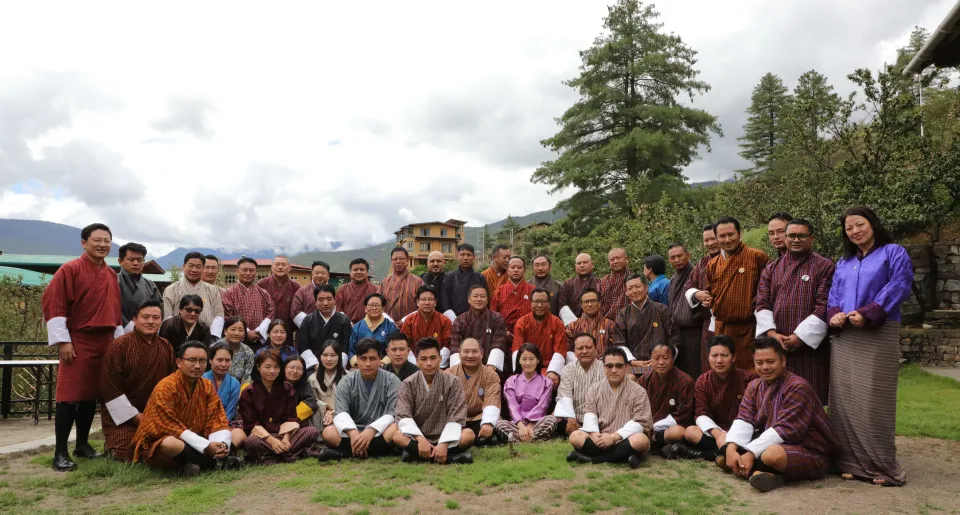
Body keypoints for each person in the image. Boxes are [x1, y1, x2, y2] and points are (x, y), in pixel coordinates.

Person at [827, 206, 913, 487]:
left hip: (877, 331)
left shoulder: (893, 252)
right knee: (845, 398)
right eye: (849, 228)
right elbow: (834, 294)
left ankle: (882, 465)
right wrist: (834, 314)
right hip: (846, 336)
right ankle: (849, 462)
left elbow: (899, 285)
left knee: (874, 397)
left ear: (873, 224)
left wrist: (869, 312)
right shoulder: (844, 262)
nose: (855, 231)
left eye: (859, 224)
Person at [42, 222, 124, 471]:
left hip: (105, 340)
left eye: (107, 241)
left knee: (91, 395)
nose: (102, 245)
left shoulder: (111, 274)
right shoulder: (70, 270)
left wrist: (118, 340)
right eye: (97, 240)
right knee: (69, 396)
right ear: (84, 243)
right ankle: (60, 452)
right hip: (77, 339)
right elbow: (54, 304)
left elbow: (115, 310)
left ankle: (82, 445)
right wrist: (63, 341)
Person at [720, 337, 838, 493]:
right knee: (727, 442)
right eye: (759, 363)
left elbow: (784, 430)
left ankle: (750, 465)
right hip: (770, 443)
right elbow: (744, 418)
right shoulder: (754, 386)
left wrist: (749, 453)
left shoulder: (798, 387)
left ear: (783, 361)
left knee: (771, 455)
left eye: (770, 362)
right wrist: (731, 448)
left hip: (809, 449)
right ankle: (766, 473)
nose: (765, 367)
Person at [755, 219, 835, 403]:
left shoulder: (824, 266)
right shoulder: (771, 268)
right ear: (785, 238)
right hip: (778, 344)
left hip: (810, 347)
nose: (796, 240)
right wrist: (771, 334)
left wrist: (799, 337)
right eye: (791, 235)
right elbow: (762, 303)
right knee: (778, 398)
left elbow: (824, 305)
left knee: (811, 397)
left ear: (811, 238)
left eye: (801, 236)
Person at [130, 341, 240, 475]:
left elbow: (216, 418)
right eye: (192, 360)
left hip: (196, 438)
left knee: (237, 433)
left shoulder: (207, 386)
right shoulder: (166, 386)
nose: (197, 366)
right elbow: (167, 425)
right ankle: (216, 463)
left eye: (202, 361)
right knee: (170, 444)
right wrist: (206, 446)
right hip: (162, 442)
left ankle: (194, 465)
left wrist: (220, 444)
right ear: (179, 362)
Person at [685, 217, 770, 370]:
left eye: (731, 234)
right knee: (724, 371)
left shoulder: (757, 257)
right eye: (722, 236)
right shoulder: (712, 264)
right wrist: (707, 300)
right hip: (722, 328)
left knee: (751, 373)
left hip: (750, 328)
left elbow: (768, 291)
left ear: (740, 233)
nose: (727, 239)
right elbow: (712, 293)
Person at [101, 299, 176, 462]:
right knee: (126, 451)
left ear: (161, 321)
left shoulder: (166, 346)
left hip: (157, 414)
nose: (151, 321)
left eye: (156, 317)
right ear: (134, 319)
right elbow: (110, 388)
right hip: (126, 418)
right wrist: (136, 416)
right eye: (145, 317)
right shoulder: (119, 346)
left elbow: (173, 384)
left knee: (174, 441)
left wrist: (160, 414)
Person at [566, 348, 652, 468]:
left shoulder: (638, 391)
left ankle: (592, 459)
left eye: (619, 366)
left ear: (626, 368)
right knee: (575, 436)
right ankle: (623, 457)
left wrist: (613, 437)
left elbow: (641, 423)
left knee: (641, 440)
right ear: (604, 368)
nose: (614, 370)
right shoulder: (594, 389)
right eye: (609, 366)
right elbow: (590, 417)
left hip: (626, 439)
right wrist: (597, 438)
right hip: (601, 438)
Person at [394, 338, 475, 464]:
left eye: (433, 358)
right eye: (424, 359)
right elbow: (404, 415)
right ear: (417, 361)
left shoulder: (453, 382)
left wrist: (444, 443)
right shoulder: (408, 383)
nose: (429, 363)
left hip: (446, 435)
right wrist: (421, 439)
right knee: (397, 436)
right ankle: (451, 457)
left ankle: (418, 455)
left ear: (440, 359)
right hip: (419, 436)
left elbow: (457, 416)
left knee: (468, 435)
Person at [676, 335, 757, 461]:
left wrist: (731, 434)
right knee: (691, 432)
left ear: (733, 357)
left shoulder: (749, 379)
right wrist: (718, 434)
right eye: (714, 355)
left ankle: (707, 454)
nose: (719, 360)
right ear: (708, 357)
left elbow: (752, 415)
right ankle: (723, 453)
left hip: (741, 432)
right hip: (715, 431)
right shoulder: (703, 381)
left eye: (724, 355)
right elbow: (701, 413)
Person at [319, 338, 400, 461]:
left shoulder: (392, 380)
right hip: (353, 429)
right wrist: (353, 434)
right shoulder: (346, 381)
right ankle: (376, 450)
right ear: (357, 359)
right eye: (363, 358)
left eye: (372, 358)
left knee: (395, 429)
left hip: (380, 431)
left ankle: (343, 453)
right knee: (328, 432)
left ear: (380, 359)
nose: (368, 363)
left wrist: (371, 430)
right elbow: (341, 412)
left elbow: (392, 413)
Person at [239, 349, 319, 464]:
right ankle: (289, 454)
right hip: (262, 437)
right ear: (258, 367)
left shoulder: (287, 388)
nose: (272, 371)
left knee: (312, 431)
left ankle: (270, 457)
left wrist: (286, 438)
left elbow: (290, 418)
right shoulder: (248, 391)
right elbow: (251, 424)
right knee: (250, 442)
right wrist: (271, 440)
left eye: (276, 367)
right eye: (267, 367)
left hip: (284, 434)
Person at [638, 342, 695, 456]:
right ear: (650, 360)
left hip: (668, 428)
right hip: (646, 427)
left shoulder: (685, 381)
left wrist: (653, 428)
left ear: (673, 359)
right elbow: (637, 408)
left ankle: (650, 445)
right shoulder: (644, 380)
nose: (661, 362)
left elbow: (683, 415)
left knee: (678, 432)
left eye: (665, 358)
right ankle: (658, 447)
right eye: (656, 358)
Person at [612, 275, 678, 372]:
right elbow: (619, 342)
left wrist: (662, 358)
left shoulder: (662, 310)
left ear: (646, 288)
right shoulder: (623, 314)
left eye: (637, 286)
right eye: (630, 288)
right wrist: (632, 361)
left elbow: (675, 338)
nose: (634, 291)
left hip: (661, 364)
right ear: (626, 292)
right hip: (634, 365)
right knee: (630, 378)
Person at [446, 338, 501, 446]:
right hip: (455, 419)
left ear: (482, 353)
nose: (470, 355)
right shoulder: (448, 374)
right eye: (466, 351)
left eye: (475, 351)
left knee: (497, 424)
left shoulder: (491, 375)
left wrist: (487, 423)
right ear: (459, 353)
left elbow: (492, 400)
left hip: (479, 418)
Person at [497, 343, 558, 442]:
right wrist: (521, 426)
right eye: (524, 359)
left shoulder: (547, 382)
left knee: (551, 420)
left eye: (531, 359)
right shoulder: (511, 381)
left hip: (537, 423)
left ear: (538, 360)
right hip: (517, 424)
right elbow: (512, 405)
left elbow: (542, 406)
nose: (528, 363)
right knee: (500, 424)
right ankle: (536, 440)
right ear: (519, 360)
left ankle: (520, 440)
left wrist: (531, 424)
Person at [684, 225, 723, 374]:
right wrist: (697, 294)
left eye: (713, 238)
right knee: (709, 366)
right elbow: (689, 285)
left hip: (730, 321)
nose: (710, 243)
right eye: (706, 240)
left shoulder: (733, 259)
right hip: (708, 324)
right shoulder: (702, 262)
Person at [163, 251, 225, 338]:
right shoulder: (171, 289)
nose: (194, 270)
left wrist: (213, 337)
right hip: (177, 337)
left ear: (202, 268)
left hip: (206, 337)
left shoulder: (212, 290)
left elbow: (218, 315)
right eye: (191, 265)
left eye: (198, 267)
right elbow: (168, 317)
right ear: (184, 266)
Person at [554, 333, 606, 436]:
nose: (585, 351)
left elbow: (605, 397)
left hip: (599, 418)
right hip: (573, 419)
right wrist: (571, 419)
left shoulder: (604, 368)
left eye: (589, 347)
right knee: (550, 420)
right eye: (580, 348)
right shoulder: (568, 369)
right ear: (574, 351)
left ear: (596, 349)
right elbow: (564, 395)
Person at [512, 289, 567, 385]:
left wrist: (553, 371)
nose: (539, 305)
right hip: (527, 366)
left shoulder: (557, 323)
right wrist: (524, 370)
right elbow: (517, 349)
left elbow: (560, 350)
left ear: (549, 304)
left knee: (551, 381)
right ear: (530, 303)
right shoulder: (522, 323)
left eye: (543, 301)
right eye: (536, 301)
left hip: (548, 367)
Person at [666, 243, 705, 378]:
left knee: (693, 370)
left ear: (688, 255)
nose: (676, 260)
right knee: (679, 372)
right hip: (676, 333)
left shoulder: (696, 274)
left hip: (694, 331)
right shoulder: (673, 279)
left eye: (679, 256)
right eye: (672, 258)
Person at [449, 284, 508, 372]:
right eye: (475, 296)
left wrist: (491, 368)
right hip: (464, 369)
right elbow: (455, 346)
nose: (479, 299)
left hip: (490, 369)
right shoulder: (460, 320)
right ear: (469, 299)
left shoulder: (496, 318)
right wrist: (460, 370)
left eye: (482, 296)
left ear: (487, 299)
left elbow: (498, 342)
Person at [223, 257, 275, 350]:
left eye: (251, 270)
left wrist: (259, 331)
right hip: (236, 340)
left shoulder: (263, 293)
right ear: (237, 272)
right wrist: (246, 332)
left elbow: (271, 312)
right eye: (244, 270)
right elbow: (228, 315)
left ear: (256, 272)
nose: (248, 273)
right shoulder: (229, 293)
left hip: (259, 340)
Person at [202, 341, 247, 450]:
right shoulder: (201, 380)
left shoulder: (234, 383)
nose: (223, 364)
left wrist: (220, 427)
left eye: (227, 360)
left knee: (239, 434)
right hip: (202, 424)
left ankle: (226, 453)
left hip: (224, 423)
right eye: (219, 360)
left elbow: (230, 412)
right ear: (210, 360)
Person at [296, 284, 352, 371]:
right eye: (321, 300)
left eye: (329, 299)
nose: (325, 303)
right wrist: (315, 365)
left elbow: (345, 347)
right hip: (313, 367)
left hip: (338, 367)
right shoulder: (308, 321)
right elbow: (304, 346)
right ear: (315, 302)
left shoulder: (344, 321)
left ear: (334, 300)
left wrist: (337, 367)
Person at [400, 285, 452, 365]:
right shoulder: (409, 320)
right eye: (423, 299)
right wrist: (416, 364)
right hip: (414, 363)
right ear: (417, 302)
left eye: (430, 299)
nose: (427, 303)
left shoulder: (444, 321)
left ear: (435, 302)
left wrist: (436, 363)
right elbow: (404, 344)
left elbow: (448, 345)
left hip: (438, 364)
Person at [258, 255, 301, 346]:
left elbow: (297, 310)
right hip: (265, 331)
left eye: (283, 264)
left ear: (289, 268)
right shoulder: (262, 284)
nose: (280, 267)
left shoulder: (295, 287)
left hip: (286, 332)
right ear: (272, 267)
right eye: (277, 264)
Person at [118, 242, 162, 331]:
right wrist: (128, 327)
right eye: (131, 259)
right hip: (118, 331)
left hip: (147, 331)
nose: (136, 263)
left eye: (139, 260)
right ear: (120, 261)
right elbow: (111, 310)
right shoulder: (113, 281)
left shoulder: (151, 285)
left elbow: (159, 310)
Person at [564, 289, 615, 359]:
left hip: (605, 363)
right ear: (581, 305)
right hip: (580, 364)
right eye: (586, 302)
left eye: (593, 301)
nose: (590, 304)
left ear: (599, 303)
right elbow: (567, 350)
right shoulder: (573, 326)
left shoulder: (610, 325)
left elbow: (617, 347)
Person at [491, 256, 535, 336]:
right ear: (507, 270)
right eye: (512, 267)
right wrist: (503, 330)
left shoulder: (533, 290)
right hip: (504, 334)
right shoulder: (499, 290)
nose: (516, 270)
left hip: (528, 333)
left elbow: (539, 312)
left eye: (519, 267)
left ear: (524, 270)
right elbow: (493, 314)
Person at [348, 293, 399, 362]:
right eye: (371, 305)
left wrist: (383, 363)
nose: (374, 308)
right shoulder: (357, 327)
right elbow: (351, 349)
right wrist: (358, 362)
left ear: (383, 309)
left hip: (384, 365)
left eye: (377, 305)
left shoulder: (390, 327)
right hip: (361, 364)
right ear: (365, 308)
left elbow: (395, 348)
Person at [379, 247, 425, 322]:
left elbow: (424, 305)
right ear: (391, 261)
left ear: (408, 260)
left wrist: (405, 320)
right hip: (388, 325)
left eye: (401, 258)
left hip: (411, 324)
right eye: (395, 259)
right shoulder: (385, 282)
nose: (398, 261)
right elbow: (378, 303)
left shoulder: (418, 281)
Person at [307, 339, 345, 430]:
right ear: (320, 357)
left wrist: (333, 412)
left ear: (339, 357)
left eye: (333, 355)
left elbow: (350, 401)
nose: (329, 359)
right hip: (322, 418)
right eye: (325, 355)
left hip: (343, 416)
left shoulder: (348, 377)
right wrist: (327, 409)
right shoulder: (312, 378)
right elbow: (313, 400)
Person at [441, 243, 487, 317]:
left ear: (474, 257)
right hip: (453, 318)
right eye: (462, 254)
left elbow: (484, 300)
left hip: (475, 317)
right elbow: (445, 300)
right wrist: (450, 317)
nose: (465, 258)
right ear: (457, 256)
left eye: (469, 255)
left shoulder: (480, 278)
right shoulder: (449, 277)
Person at [284, 355, 322, 435]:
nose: (295, 371)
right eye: (291, 367)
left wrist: (293, 418)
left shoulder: (304, 384)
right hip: (278, 422)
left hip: (297, 420)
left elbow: (311, 402)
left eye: (299, 369)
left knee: (316, 411)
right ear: (284, 368)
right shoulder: (276, 384)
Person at [336, 258, 379, 323]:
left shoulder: (376, 289)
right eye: (355, 270)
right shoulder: (343, 290)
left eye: (362, 270)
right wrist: (347, 323)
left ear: (367, 272)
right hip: (347, 326)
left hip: (370, 326)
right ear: (350, 272)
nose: (358, 272)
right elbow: (337, 309)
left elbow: (380, 309)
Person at [559, 253, 601, 319]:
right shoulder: (568, 284)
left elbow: (603, 305)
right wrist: (574, 323)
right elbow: (563, 306)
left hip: (597, 321)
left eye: (585, 262)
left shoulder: (600, 283)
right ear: (575, 266)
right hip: (573, 322)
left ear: (592, 265)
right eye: (579, 263)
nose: (582, 265)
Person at [216, 316, 254, 385]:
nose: (236, 333)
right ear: (225, 331)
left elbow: (247, 377)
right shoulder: (215, 348)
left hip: (239, 389)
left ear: (244, 334)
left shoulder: (248, 352)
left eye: (240, 330)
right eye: (233, 329)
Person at [597, 248, 631, 320]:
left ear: (627, 259)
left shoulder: (635, 280)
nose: (615, 261)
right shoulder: (602, 282)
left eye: (618, 258)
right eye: (612, 259)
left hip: (629, 323)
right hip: (605, 324)